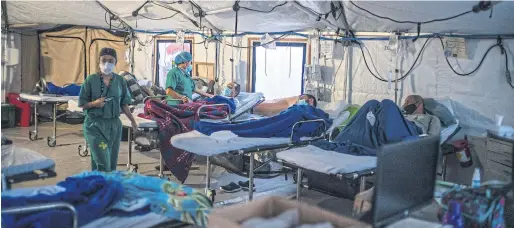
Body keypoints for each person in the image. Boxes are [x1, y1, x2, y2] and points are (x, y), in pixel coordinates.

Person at [78, 48, 138, 172]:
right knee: (102, 161)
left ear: (115, 62)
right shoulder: (90, 80)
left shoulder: (120, 81)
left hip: (114, 126)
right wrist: (94, 103)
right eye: (104, 60)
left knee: (110, 162)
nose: (107, 63)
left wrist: (132, 121)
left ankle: (99, 186)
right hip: (94, 125)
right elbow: (82, 105)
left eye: (111, 61)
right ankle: (105, 186)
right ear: (99, 61)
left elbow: (124, 104)